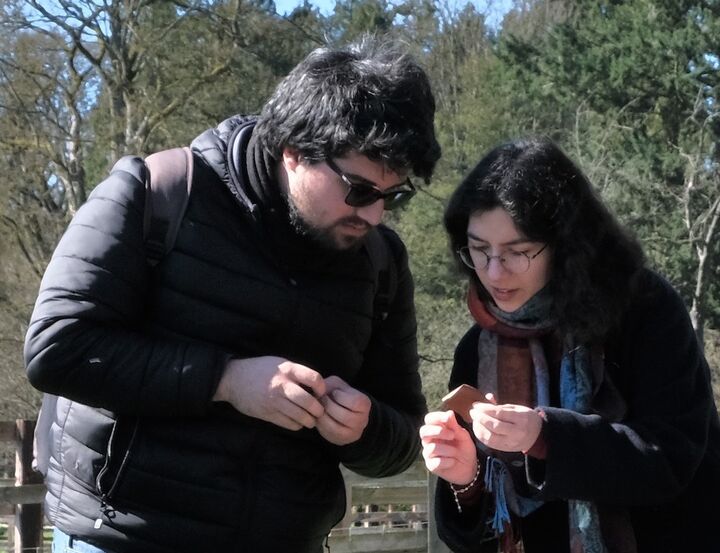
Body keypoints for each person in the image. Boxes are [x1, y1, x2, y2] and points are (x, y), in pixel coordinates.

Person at [24, 36, 441, 553]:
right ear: (293, 151)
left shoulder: (381, 262)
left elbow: (402, 436)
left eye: (392, 196)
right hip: (124, 535)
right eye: (358, 190)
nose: (374, 215)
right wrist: (225, 379)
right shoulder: (156, 192)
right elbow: (57, 349)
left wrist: (363, 426)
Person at [420, 137, 720, 553]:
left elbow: (669, 459)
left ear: (565, 244)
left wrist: (546, 437)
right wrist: (465, 480)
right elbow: (472, 536)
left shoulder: (645, 310)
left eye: (516, 251)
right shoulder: (478, 343)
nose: (493, 272)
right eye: (478, 249)